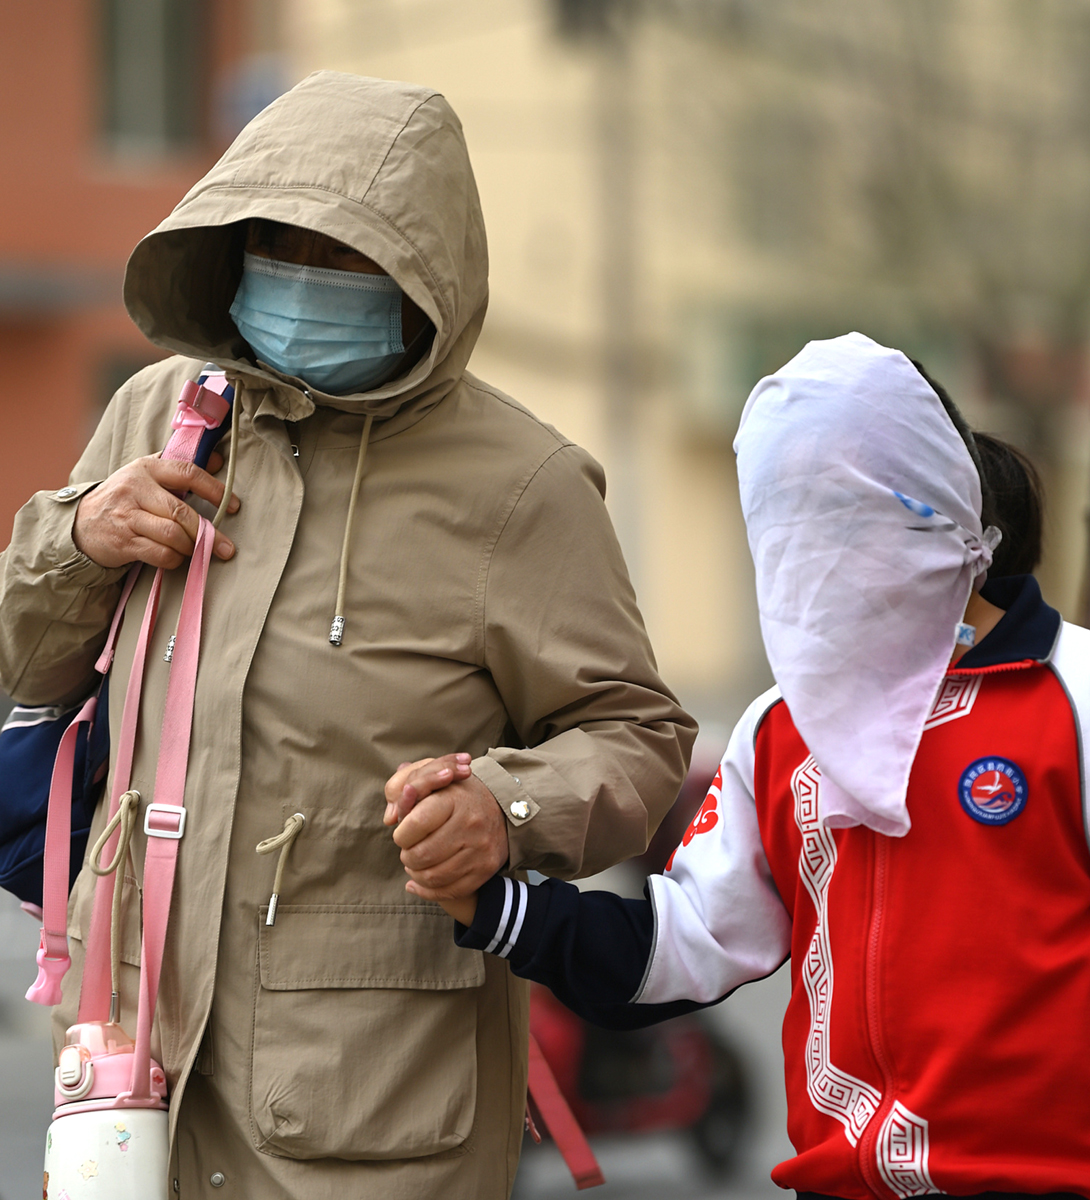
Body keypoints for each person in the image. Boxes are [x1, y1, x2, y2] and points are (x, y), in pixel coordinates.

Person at [0, 73, 696, 1198]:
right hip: (133, 1076)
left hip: (373, 1109)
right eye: (282, 245)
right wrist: (78, 541)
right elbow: (24, 667)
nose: (309, 281)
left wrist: (507, 809)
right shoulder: (161, 412)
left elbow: (636, 732)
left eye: (349, 257)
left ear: (425, 274)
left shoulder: (525, 487)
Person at [432, 333, 1090, 1200]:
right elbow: (682, 944)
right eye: (785, 515)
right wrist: (492, 901)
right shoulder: (779, 730)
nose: (811, 549)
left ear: (929, 496)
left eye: (839, 508)